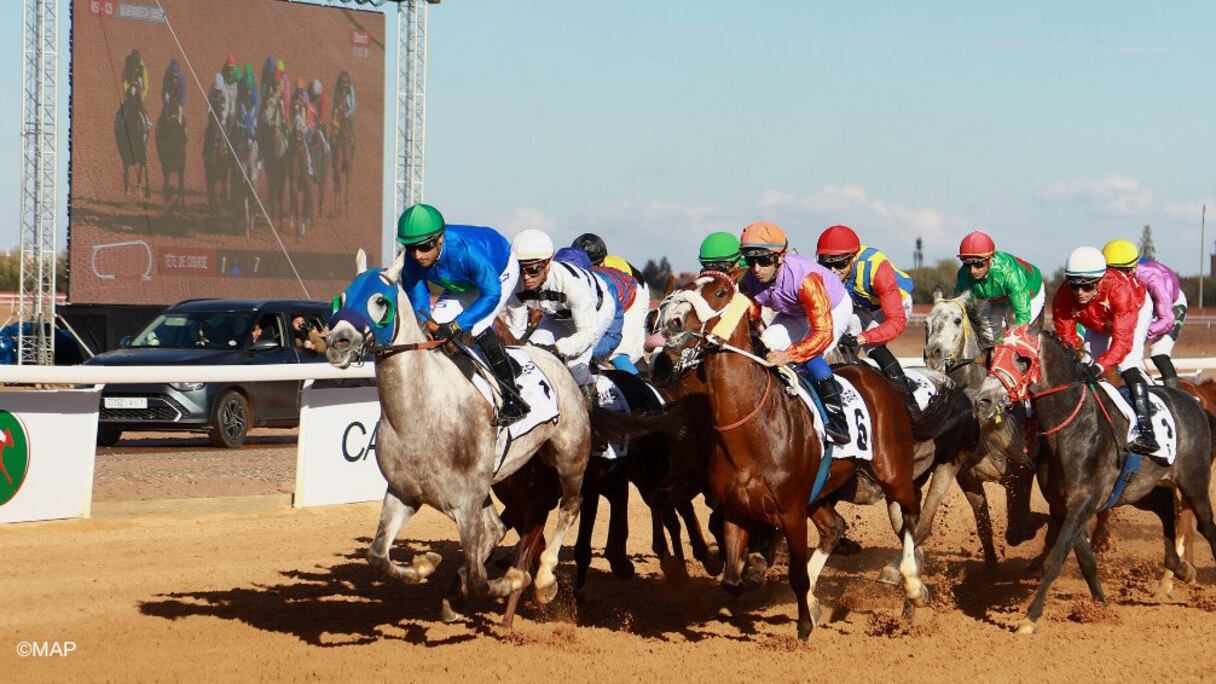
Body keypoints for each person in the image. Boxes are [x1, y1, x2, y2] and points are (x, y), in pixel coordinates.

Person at [397, 203, 528, 426]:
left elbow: (491, 293)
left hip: (499, 271)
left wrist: (458, 325)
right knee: (437, 327)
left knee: (476, 327)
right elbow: (420, 305)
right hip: (463, 283)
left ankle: (513, 398)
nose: (418, 255)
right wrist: (428, 327)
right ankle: (498, 366)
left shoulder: (463, 249)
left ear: (440, 239)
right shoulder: (411, 261)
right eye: (411, 248)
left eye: (425, 247)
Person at [738, 221, 852, 444]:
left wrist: (789, 355)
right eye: (750, 261)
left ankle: (838, 419)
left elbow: (822, 333)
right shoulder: (749, 279)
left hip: (832, 308)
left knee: (810, 356)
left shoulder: (806, 278)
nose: (756, 268)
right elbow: (747, 318)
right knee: (765, 346)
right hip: (793, 311)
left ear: (780, 257)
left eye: (763, 260)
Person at [1053, 246, 1158, 453]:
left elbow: (1122, 344)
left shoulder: (1120, 291)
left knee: (1127, 362)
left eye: (1087, 287)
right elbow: (1068, 338)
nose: (1079, 293)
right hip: (1098, 319)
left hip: (1133, 308)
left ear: (1099, 281)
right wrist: (1079, 359)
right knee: (1082, 365)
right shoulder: (1064, 296)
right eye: (1074, 286)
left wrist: (1100, 367)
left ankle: (1147, 431)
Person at [506, 232, 622, 405]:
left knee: (575, 364)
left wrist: (558, 349)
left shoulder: (571, 284)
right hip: (557, 315)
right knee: (530, 354)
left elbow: (587, 333)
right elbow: (515, 331)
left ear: (548, 263)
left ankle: (594, 410)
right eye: (520, 268)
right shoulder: (517, 284)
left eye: (532, 269)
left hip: (596, 311)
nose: (525, 277)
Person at [815, 225, 915, 391]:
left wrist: (862, 338)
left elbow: (896, 321)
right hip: (862, 304)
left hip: (895, 305)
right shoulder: (822, 266)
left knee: (871, 343)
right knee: (840, 344)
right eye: (826, 264)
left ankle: (907, 397)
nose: (832, 271)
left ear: (853, 258)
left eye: (840, 264)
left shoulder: (876, 267)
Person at [1103, 239, 1186, 388]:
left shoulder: (1155, 281)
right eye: (1110, 272)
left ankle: (1175, 394)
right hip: (1141, 305)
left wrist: (1140, 333)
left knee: (1158, 354)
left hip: (1170, 306)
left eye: (1120, 272)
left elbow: (1167, 320)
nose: (1115, 278)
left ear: (1133, 268)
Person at [570, 233, 650, 367]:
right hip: (617, 288)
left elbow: (613, 322)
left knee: (617, 353)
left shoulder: (607, 279)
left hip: (633, 293)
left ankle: (636, 384)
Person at [954, 230, 1045, 345]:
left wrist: (1017, 328)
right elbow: (961, 309)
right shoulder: (964, 275)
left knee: (1018, 336)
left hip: (1029, 292)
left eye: (978, 264)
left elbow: (1023, 315)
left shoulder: (1008, 273)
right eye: (967, 264)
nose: (973, 271)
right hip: (998, 298)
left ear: (991, 259)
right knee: (987, 338)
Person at [120, 49, 152, 132]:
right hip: (130, 82)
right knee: (128, 99)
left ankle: (147, 119)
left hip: (139, 84)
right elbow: (123, 78)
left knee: (139, 102)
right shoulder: (128, 63)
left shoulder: (143, 69)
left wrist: (141, 98)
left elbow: (146, 87)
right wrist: (126, 91)